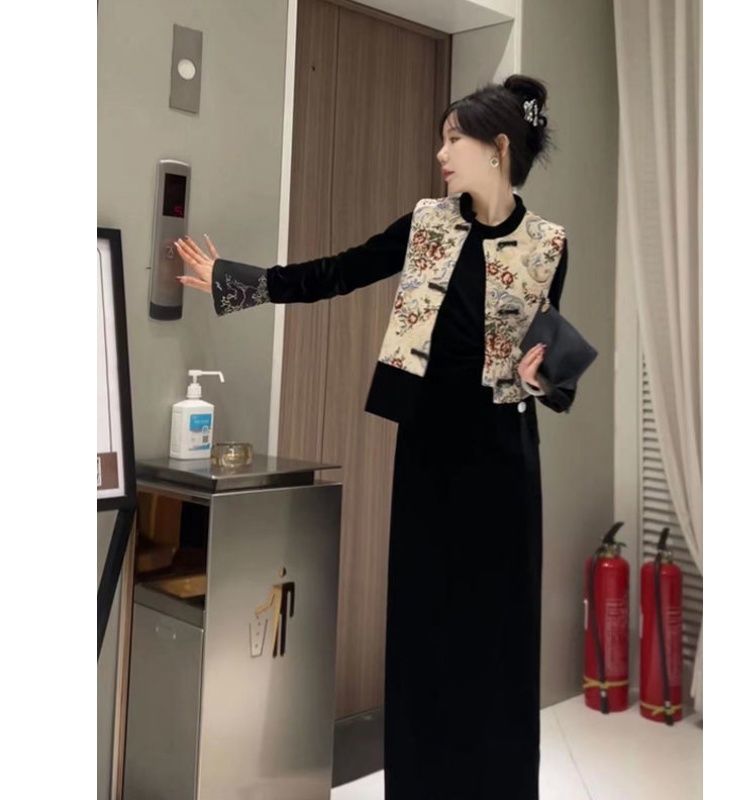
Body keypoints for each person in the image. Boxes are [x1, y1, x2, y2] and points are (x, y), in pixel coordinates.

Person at [175, 74, 573, 800]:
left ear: (497, 146)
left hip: (506, 459)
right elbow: (342, 271)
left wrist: (543, 376)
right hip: (429, 450)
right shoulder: (428, 223)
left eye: (453, 139)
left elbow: (548, 358)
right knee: (423, 625)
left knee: (499, 634)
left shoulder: (549, 243)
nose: (441, 153)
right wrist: (239, 281)